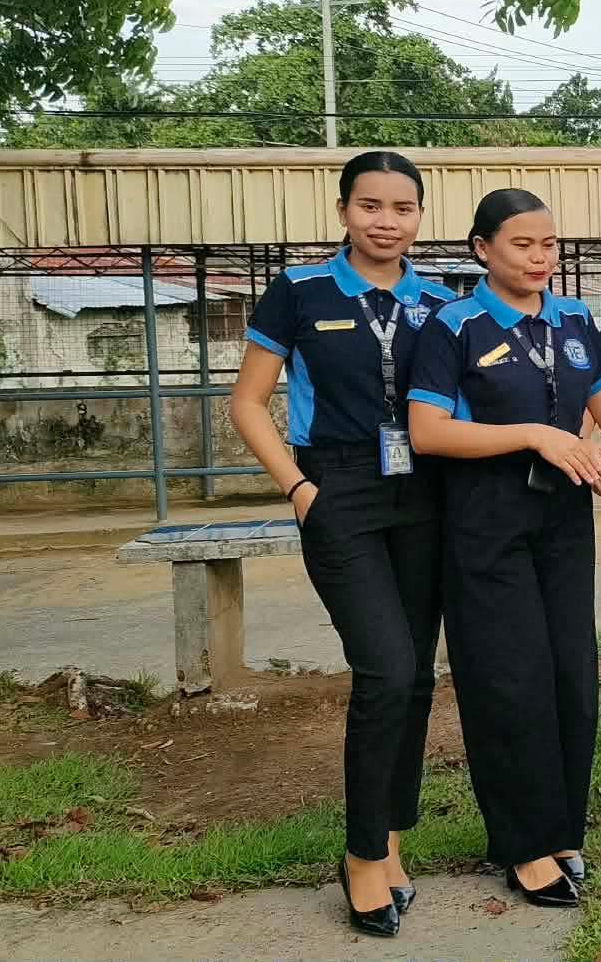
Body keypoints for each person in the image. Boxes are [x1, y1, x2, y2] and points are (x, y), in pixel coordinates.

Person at [406, 188, 601, 908]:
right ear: (482, 249)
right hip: (486, 520)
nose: (538, 258)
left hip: (562, 519)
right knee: (509, 680)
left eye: (548, 245)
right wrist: (536, 434)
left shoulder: (573, 319)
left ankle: (561, 829)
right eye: (522, 245)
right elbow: (427, 430)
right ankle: (523, 844)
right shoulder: (454, 324)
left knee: (570, 677)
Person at [230, 150, 455, 937]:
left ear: (419, 216)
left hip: (425, 491)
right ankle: (361, 854)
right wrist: (299, 488)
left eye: (402, 207)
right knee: (385, 667)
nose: (386, 221)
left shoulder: (441, 301)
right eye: (370, 205)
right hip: (339, 489)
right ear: (343, 211)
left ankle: (390, 838)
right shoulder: (300, 290)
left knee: (416, 675)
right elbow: (248, 401)